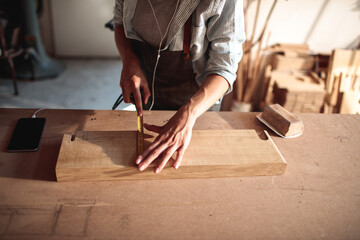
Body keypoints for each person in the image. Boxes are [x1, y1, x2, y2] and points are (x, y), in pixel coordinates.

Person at [113, 0, 245, 173]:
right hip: (146, 91)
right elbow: (119, 21)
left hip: (197, 103)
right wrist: (128, 58)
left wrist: (190, 113)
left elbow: (224, 68)